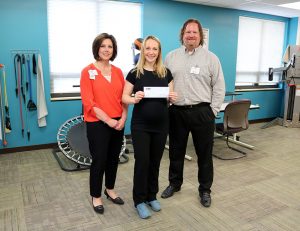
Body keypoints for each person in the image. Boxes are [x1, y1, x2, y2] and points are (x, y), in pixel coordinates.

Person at [161, 19, 225, 208]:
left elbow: (219, 86)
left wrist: (212, 111)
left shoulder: (211, 58)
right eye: (187, 32)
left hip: (202, 112)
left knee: (204, 154)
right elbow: (165, 84)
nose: (191, 35)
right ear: (182, 34)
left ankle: (205, 189)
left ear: (200, 35)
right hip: (177, 112)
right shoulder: (171, 57)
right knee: (175, 151)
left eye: (194, 32)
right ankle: (174, 183)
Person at [122, 35, 177, 219]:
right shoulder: (134, 73)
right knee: (142, 162)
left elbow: (169, 99)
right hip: (141, 126)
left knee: (155, 162)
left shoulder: (166, 73)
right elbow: (124, 98)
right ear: (143, 50)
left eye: (155, 49)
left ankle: (151, 196)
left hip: (162, 125)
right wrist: (134, 98)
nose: (151, 52)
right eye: (148, 48)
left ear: (159, 51)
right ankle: (139, 200)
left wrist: (171, 98)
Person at [80, 33, 127, 214]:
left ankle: (110, 189)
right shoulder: (87, 71)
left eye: (110, 46)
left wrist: (123, 119)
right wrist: (108, 121)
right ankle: (96, 195)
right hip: (98, 123)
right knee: (99, 160)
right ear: (96, 48)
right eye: (103, 46)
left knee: (113, 159)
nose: (106, 49)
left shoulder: (117, 72)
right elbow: (88, 103)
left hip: (117, 122)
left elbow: (123, 98)